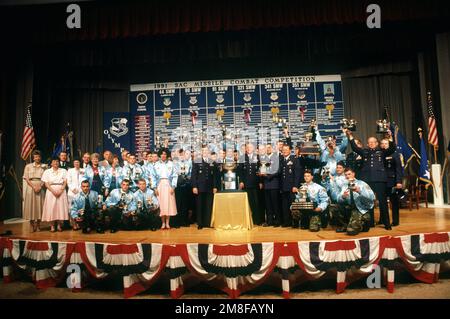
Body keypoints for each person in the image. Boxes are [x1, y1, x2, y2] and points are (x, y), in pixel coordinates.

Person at [346, 128, 396, 230]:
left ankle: (387, 224)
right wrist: (350, 136)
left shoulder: (382, 152)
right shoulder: (364, 151)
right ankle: (370, 223)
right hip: (367, 180)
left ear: (377, 143)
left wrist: (390, 137)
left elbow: (392, 149)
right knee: (369, 201)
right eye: (370, 142)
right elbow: (355, 147)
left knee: (382, 202)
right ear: (367, 144)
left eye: (373, 142)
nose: (372, 144)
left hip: (379, 179)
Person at [337, 167, 376, 236]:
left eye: (349, 174)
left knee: (351, 232)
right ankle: (346, 225)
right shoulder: (344, 186)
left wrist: (359, 191)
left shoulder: (362, 184)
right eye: (345, 175)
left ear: (353, 174)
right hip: (350, 208)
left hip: (360, 210)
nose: (347, 176)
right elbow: (338, 199)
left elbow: (372, 197)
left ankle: (363, 224)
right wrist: (343, 197)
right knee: (333, 207)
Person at [191, 146, 219, 229]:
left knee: (208, 205)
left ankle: (207, 222)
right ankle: (200, 223)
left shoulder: (212, 162)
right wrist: (194, 186)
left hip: (210, 187)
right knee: (200, 205)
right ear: (202, 152)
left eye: (207, 150)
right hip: (200, 187)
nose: (205, 152)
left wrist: (215, 187)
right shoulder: (197, 161)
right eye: (204, 151)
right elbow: (194, 175)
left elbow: (214, 176)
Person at [238, 143, 264, 225]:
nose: (249, 148)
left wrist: (260, 181)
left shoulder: (257, 157)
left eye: (250, 147)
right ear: (245, 148)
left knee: (257, 202)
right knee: (249, 203)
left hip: (256, 183)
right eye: (247, 147)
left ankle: (258, 220)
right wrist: (241, 181)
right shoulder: (242, 157)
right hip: (246, 184)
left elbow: (261, 170)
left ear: (253, 148)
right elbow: (240, 171)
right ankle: (249, 220)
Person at [41, 157, 69, 232]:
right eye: (54, 161)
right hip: (51, 191)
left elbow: (65, 182)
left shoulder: (63, 171)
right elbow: (46, 184)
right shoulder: (47, 172)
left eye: (57, 161)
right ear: (51, 163)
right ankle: (52, 226)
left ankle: (59, 225)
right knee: (51, 208)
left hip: (61, 190)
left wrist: (61, 189)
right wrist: (53, 191)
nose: (56, 163)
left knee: (60, 208)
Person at [381, 138, 403, 226]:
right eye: (382, 143)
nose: (384, 145)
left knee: (394, 202)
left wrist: (398, 181)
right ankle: (382, 220)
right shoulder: (379, 154)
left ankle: (395, 221)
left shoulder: (395, 154)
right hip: (382, 181)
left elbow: (398, 169)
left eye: (386, 143)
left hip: (392, 181)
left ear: (389, 144)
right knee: (382, 202)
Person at [152, 150, 178, 229]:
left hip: (169, 185)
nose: (163, 155)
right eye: (162, 154)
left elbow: (175, 176)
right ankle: (162, 222)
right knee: (161, 203)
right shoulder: (156, 165)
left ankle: (167, 223)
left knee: (168, 204)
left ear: (167, 155)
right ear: (159, 155)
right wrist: (154, 188)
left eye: (165, 154)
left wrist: (173, 186)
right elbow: (152, 177)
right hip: (159, 185)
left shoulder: (171, 164)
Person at [279, 144, 303, 227]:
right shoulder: (282, 160)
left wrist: (295, 186)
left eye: (286, 149)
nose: (284, 151)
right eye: (283, 149)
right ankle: (287, 222)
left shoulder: (294, 159)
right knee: (284, 206)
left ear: (290, 150)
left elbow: (297, 174)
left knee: (293, 205)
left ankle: (295, 223)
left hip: (292, 187)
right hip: (284, 187)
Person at [22, 150, 46, 232]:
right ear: (33, 157)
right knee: (30, 206)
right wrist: (33, 186)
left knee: (40, 206)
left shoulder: (44, 166)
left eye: (38, 157)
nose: (37, 158)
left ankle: (39, 225)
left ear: (40, 157)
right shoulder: (28, 166)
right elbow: (27, 179)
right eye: (35, 157)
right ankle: (32, 225)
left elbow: (45, 178)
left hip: (40, 186)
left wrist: (40, 186)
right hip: (31, 187)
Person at [260, 144, 281, 227]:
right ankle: (269, 221)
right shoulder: (263, 158)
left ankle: (277, 221)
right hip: (266, 185)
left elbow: (278, 171)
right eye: (266, 148)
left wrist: (268, 176)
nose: (268, 149)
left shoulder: (276, 157)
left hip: (274, 184)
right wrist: (261, 175)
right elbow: (262, 169)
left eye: (269, 148)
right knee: (268, 204)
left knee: (275, 204)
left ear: (272, 148)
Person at [174, 149, 192, 227]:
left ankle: (185, 221)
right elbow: (174, 173)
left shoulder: (189, 163)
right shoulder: (175, 164)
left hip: (186, 185)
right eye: (180, 155)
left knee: (185, 204)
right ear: (178, 155)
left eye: (183, 155)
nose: (182, 156)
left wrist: (188, 177)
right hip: (178, 186)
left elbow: (190, 173)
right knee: (178, 204)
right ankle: (178, 221)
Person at [67, 158, 84, 229]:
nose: (76, 164)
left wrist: (80, 190)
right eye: (75, 162)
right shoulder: (70, 170)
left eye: (78, 162)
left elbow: (84, 181)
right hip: (72, 192)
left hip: (80, 191)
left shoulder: (83, 170)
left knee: (79, 208)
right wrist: (73, 189)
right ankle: (73, 224)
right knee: (71, 208)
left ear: (80, 163)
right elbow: (68, 181)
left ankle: (78, 223)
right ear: (73, 163)